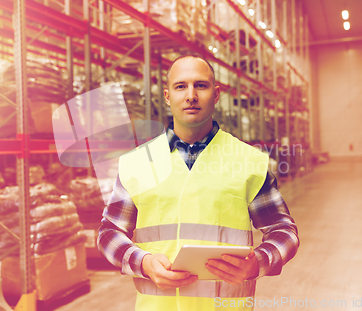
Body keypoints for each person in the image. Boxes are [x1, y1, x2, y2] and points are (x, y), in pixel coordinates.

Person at [98, 54, 299, 310]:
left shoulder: (248, 161)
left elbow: (284, 231)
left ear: (216, 95)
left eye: (200, 86)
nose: (191, 95)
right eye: (181, 86)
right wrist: (143, 262)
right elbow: (108, 233)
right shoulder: (137, 163)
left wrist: (257, 262)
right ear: (168, 96)